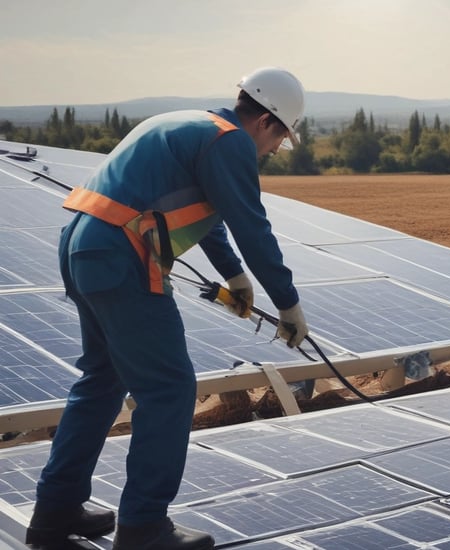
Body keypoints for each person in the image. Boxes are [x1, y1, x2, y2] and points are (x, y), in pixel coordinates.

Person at [25, 66, 310, 549]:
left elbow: (210, 214)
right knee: (170, 388)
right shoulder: (230, 141)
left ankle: (55, 510)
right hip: (122, 255)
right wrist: (289, 303)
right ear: (267, 122)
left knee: (100, 381)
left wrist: (234, 276)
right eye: (279, 140)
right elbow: (250, 223)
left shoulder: (188, 123)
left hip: (81, 247)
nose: (273, 151)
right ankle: (143, 527)